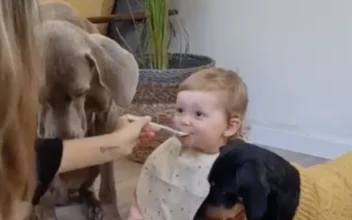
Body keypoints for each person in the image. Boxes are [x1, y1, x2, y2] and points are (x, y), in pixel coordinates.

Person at [0, 1, 155, 220]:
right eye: (42, 100)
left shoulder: (91, 58)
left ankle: (92, 194)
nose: (66, 130)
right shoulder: (18, 64)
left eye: (78, 93)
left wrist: (117, 143)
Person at [127, 67, 249, 220]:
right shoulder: (171, 147)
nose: (183, 120)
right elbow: (145, 186)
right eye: (180, 110)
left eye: (198, 114)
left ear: (230, 126)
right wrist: (137, 212)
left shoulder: (238, 167)